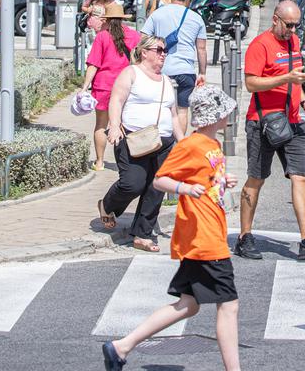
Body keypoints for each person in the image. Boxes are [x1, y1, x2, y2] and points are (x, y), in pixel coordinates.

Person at [101, 86, 240, 371]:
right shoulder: (192, 145)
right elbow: (160, 180)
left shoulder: (213, 145)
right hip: (205, 237)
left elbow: (209, 180)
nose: (228, 114)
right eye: (224, 111)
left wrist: (224, 181)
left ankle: (121, 347)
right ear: (213, 116)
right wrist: (185, 188)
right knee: (229, 305)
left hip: (206, 232)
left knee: (188, 305)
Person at [234, 0, 305, 262]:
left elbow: (295, 78)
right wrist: (286, 78)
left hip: (293, 119)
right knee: (256, 179)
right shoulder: (261, 45)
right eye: (288, 25)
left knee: (301, 177)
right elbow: (251, 84)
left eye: (296, 25)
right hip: (264, 121)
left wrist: (304, 101)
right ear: (275, 19)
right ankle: (244, 237)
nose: (293, 30)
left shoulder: (294, 42)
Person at [98, 35, 183, 252]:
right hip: (134, 138)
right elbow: (116, 100)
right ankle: (108, 205)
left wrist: (182, 141)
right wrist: (114, 125)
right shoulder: (131, 73)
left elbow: (172, 114)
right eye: (159, 50)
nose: (163, 54)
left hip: (163, 141)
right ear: (144, 52)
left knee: (156, 188)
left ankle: (142, 234)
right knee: (132, 183)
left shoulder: (165, 80)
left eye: (165, 51)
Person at [142, 0, 207, 133]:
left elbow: (143, 39)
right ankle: (179, 147)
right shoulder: (196, 18)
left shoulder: (157, 15)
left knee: (159, 107)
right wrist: (202, 73)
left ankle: (159, 142)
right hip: (185, 71)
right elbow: (202, 49)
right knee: (182, 110)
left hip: (160, 69)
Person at [83, 3, 141, 171]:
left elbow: (93, 64)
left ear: (106, 19)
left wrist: (84, 86)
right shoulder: (134, 36)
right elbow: (138, 61)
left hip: (103, 86)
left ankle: (100, 162)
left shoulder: (102, 36)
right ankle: (126, 164)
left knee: (101, 125)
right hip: (126, 86)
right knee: (123, 124)